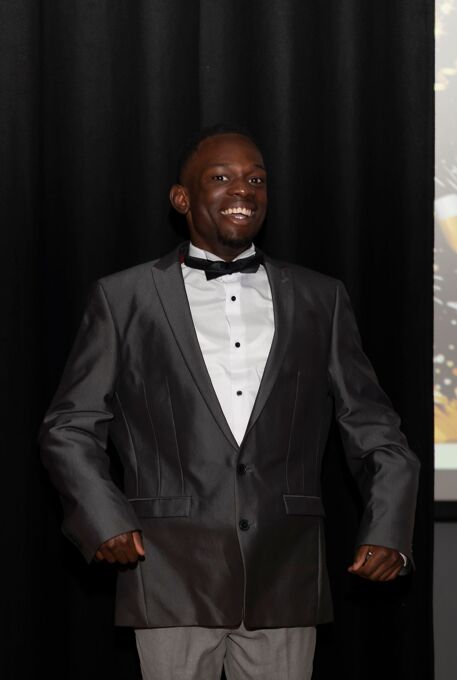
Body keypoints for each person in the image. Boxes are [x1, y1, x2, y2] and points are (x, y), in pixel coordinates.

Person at [39, 124, 420, 680]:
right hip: (168, 574)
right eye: (221, 177)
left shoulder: (321, 298)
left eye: (256, 180)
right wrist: (103, 519)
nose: (243, 189)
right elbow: (69, 427)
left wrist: (389, 529)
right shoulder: (123, 298)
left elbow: (375, 427)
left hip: (285, 573)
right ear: (181, 198)